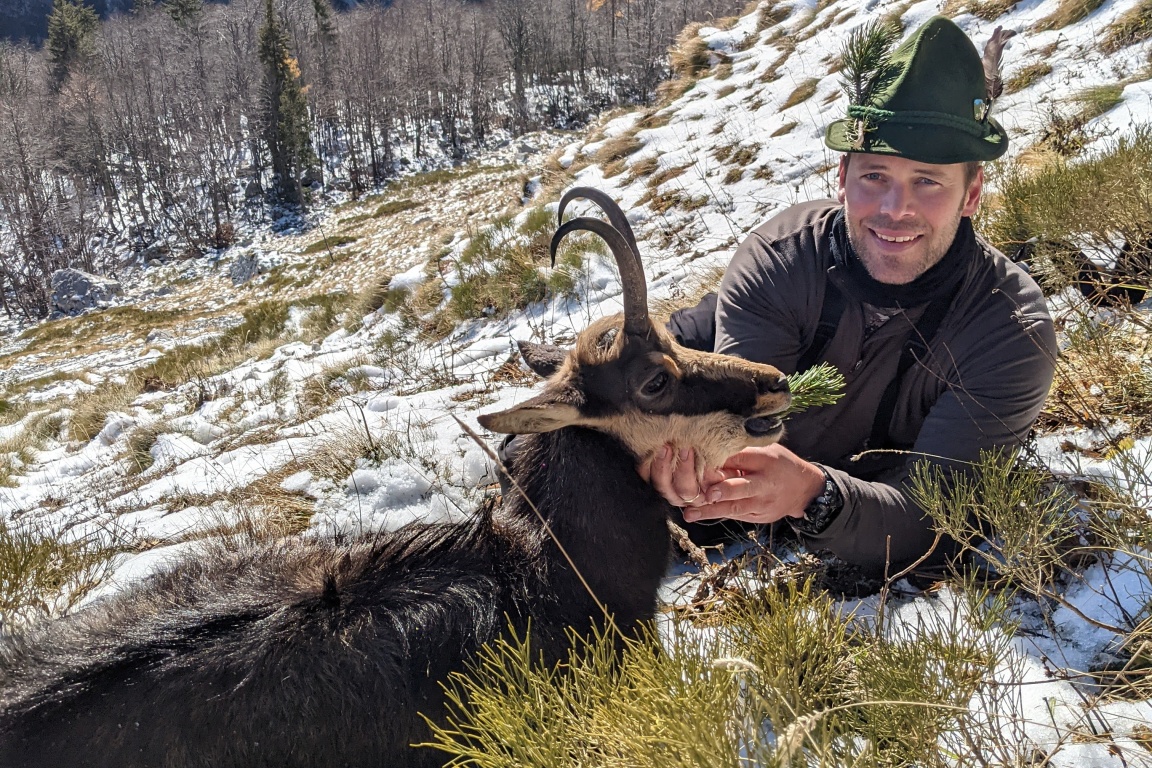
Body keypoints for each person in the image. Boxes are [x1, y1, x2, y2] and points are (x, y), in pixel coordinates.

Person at [644, 16, 1057, 577]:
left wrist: (815, 496)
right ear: (842, 176)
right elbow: (738, 431)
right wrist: (669, 460)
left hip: (848, 490)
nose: (894, 209)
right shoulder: (779, 258)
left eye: (928, 181)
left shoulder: (1009, 331)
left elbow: (936, 517)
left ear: (973, 192)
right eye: (875, 176)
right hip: (695, 367)